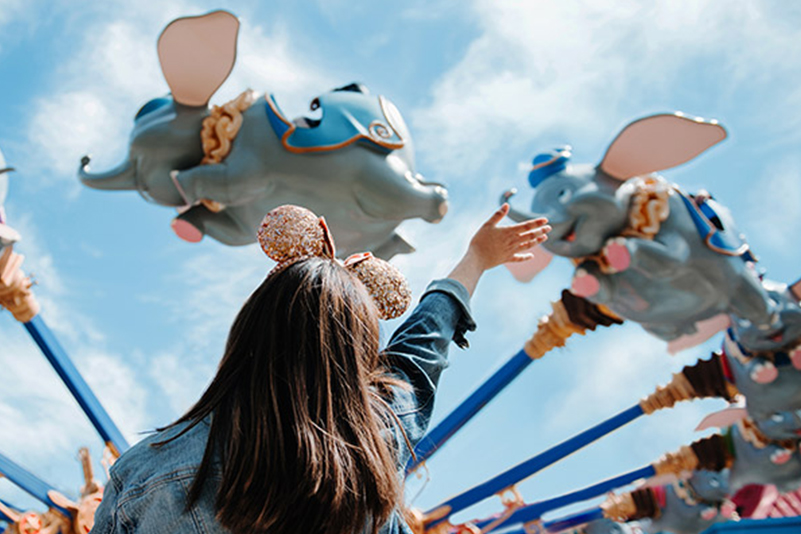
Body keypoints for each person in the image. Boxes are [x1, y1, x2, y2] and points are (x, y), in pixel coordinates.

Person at [90, 204, 550, 534]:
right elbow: (421, 350)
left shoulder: (145, 473)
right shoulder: (375, 440)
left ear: (249, 333)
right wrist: (475, 260)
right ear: (358, 358)